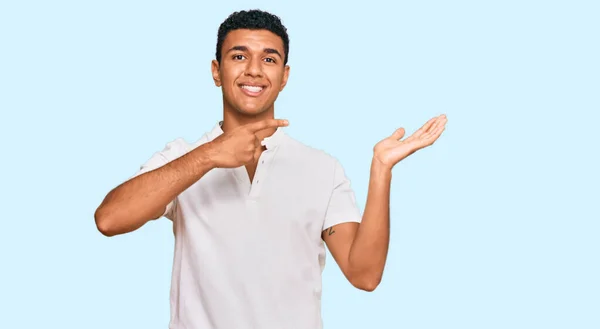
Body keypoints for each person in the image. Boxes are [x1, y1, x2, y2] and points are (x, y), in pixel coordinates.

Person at [94, 9, 447, 329]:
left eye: (269, 58)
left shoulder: (321, 169)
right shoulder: (184, 156)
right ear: (216, 71)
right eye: (238, 56)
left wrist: (381, 170)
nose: (254, 69)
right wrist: (209, 155)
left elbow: (364, 274)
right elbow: (109, 219)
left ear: (284, 76)